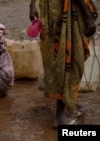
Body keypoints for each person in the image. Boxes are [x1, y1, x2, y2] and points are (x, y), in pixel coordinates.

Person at [29, 0, 98, 128]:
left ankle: (64, 108)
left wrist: (32, 4)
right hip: (62, 13)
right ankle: (60, 116)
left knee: (59, 59)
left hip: (53, 14)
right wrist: (88, 16)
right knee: (68, 60)